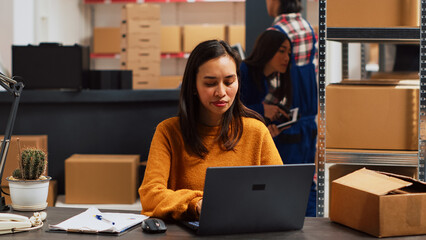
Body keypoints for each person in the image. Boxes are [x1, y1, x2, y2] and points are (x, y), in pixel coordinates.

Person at [139, 39, 283, 221]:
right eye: (210, 83)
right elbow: (150, 196)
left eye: (229, 81)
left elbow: (280, 192)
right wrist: (196, 203)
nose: (221, 92)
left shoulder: (256, 132)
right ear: (193, 86)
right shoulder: (168, 132)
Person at [262, 0, 318, 217]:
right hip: (306, 121)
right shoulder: (307, 28)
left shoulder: (275, 33)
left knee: (278, 186)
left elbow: (275, 83)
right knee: (306, 183)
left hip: (283, 123)